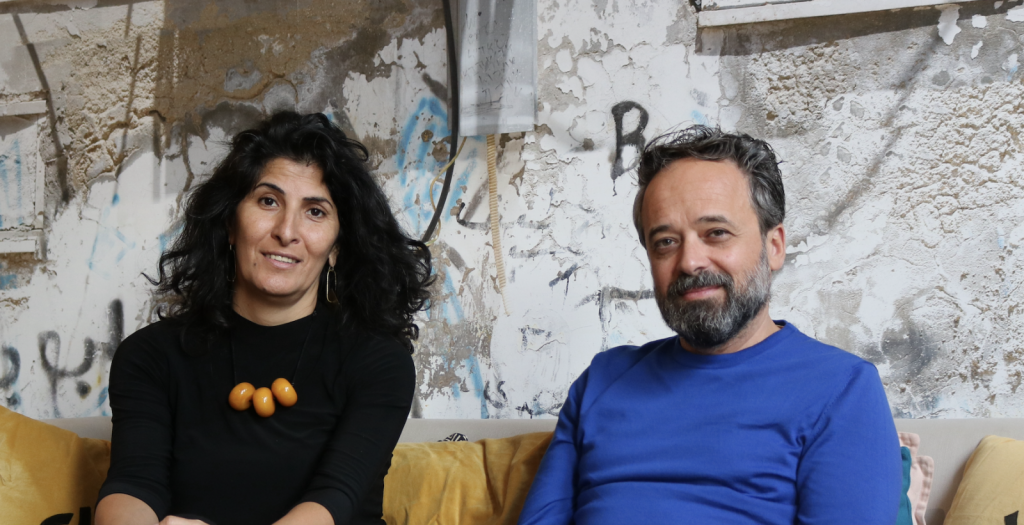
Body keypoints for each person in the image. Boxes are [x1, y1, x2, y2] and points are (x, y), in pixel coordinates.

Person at [518, 125, 902, 524]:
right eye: (666, 241)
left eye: (716, 233)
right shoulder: (603, 379)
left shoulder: (842, 389)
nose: (689, 262)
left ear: (774, 246)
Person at [96, 112, 432, 525]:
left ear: (336, 247)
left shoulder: (378, 362)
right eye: (268, 201)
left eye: (315, 211)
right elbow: (132, 485)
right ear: (230, 223)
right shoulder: (150, 356)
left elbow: (335, 500)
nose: (286, 231)